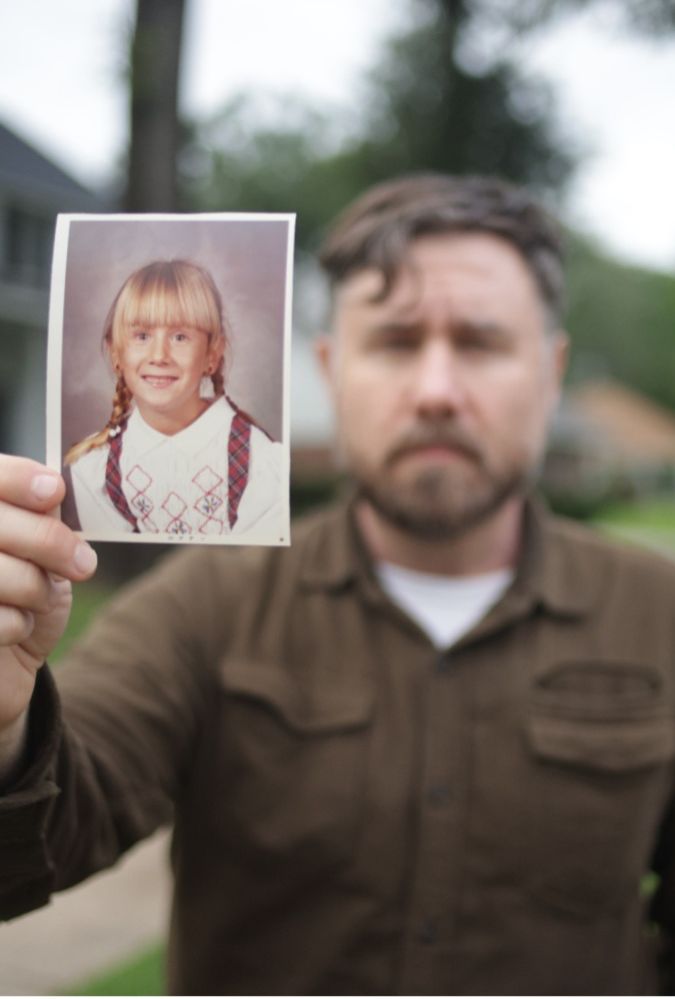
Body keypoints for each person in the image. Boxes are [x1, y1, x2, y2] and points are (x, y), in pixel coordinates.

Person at [1, 173, 675, 995]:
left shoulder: (659, 616)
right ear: (329, 367)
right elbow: (56, 826)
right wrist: (6, 730)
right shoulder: (206, 605)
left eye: (481, 342)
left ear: (551, 368)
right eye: (393, 341)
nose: (435, 390)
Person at [64, 258, 283, 537]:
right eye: (142, 336)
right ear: (116, 353)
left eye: (180, 337)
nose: (159, 356)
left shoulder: (260, 462)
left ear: (212, 355)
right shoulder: (95, 470)